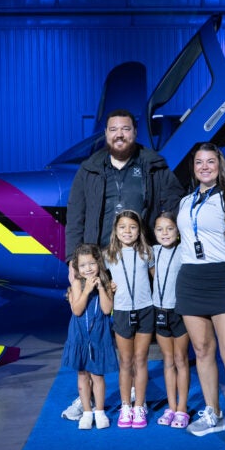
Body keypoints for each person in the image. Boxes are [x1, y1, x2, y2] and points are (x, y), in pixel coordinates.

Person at [61, 108, 184, 422]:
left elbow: (174, 199)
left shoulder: (153, 166)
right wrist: (73, 263)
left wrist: (162, 234)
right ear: (106, 134)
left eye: (125, 129)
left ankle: (131, 391)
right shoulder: (88, 170)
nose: (119, 134)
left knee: (132, 326)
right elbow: (74, 217)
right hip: (97, 262)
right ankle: (86, 396)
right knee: (94, 330)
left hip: (137, 260)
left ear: (135, 131)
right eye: (113, 129)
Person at [175, 142, 225, 450]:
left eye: (211, 161)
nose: (205, 167)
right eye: (199, 162)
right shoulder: (185, 204)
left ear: (219, 166)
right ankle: (214, 414)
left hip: (223, 281)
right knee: (203, 350)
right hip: (191, 280)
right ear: (193, 167)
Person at [105, 209, 155, 428]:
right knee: (126, 361)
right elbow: (100, 282)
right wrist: (108, 287)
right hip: (123, 312)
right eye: (122, 227)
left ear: (139, 230)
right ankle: (126, 406)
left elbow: (159, 278)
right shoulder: (107, 255)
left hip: (146, 309)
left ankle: (139, 405)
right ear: (115, 231)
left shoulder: (147, 252)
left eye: (132, 227)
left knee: (141, 359)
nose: (127, 231)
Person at [60, 243, 118, 430]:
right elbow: (77, 310)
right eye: (83, 265)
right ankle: (86, 411)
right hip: (80, 335)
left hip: (99, 334)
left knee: (98, 375)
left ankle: (99, 412)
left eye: (91, 264)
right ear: (77, 267)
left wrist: (102, 288)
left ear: (99, 263)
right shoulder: (77, 283)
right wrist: (86, 291)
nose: (88, 269)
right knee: (83, 374)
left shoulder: (106, 281)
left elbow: (107, 309)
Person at [150, 211, 190, 428]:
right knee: (167, 360)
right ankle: (171, 407)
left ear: (178, 231)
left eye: (170, 228)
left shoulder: (185, 251)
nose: (165, 233)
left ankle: (182, 409)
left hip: (180, 312)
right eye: (159, 229)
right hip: (159, 311)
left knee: (180, 359)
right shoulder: (152, 252)